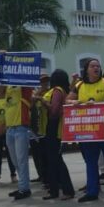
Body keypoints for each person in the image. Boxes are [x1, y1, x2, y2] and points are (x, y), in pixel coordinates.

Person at [69, 58, 104, 202]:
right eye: (93, 66)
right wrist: (74, 102)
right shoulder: (79, 85)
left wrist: (100, 105)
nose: (96, 68)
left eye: (98, 66)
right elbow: (67, 100)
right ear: (86, 69)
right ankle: (92, 192)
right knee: (91, 162)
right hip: (89, 131)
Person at [38, 69, 75, 200]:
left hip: (54, 127)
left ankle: (67, 190)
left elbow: (54, 111)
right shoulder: (63, 90)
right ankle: (54, 190)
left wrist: (43, 102)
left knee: (56, 161)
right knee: (53, 161)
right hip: (53, 127)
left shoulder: (57, 91)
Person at [3, 80, 36, 201]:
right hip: (10, 127)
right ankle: (22, 185)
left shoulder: (24, 84)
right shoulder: (8, 85)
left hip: (21, 126)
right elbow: (1, 95)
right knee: (14, 160)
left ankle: (25, 188)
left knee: (22, 160)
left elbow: (29, 99)